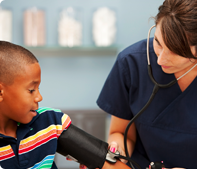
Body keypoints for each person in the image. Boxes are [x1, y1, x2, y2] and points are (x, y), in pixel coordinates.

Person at [96, 0, 197, 168]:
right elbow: (120, 133)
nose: (160, 59)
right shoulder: (130, 63)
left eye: (175, 51)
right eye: (158, 42)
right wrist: (117, 151)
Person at [0, 41, 130, 169]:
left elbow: (110, 165)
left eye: (38, 88)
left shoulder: (50, 122)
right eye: (31, 90)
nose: (40, 97)